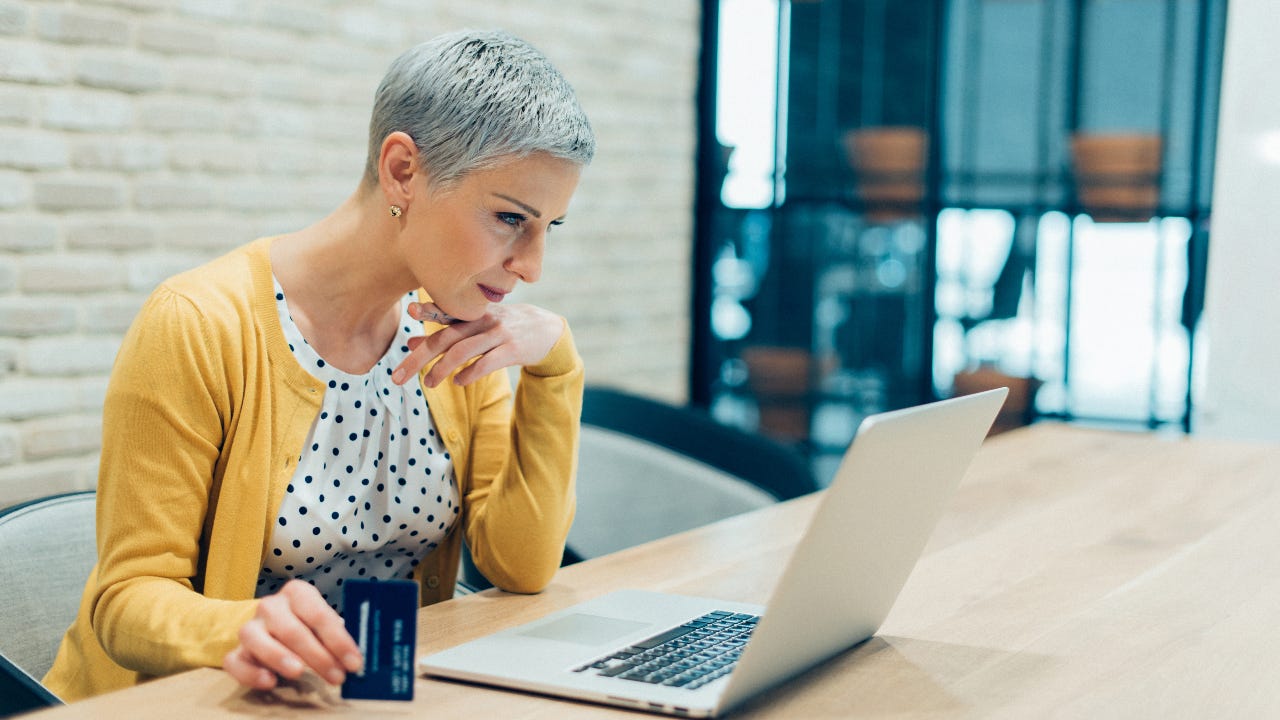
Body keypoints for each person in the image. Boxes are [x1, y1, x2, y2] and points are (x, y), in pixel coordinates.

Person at [42, 29, 594, 701]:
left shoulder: (451, 333)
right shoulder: (197, 323)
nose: (532, 267)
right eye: (511, 218)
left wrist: (554, 368)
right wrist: (238, 628)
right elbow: (124, 600)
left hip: (359, 701)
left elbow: (522, 567)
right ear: (402, 171)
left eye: (548, 227)